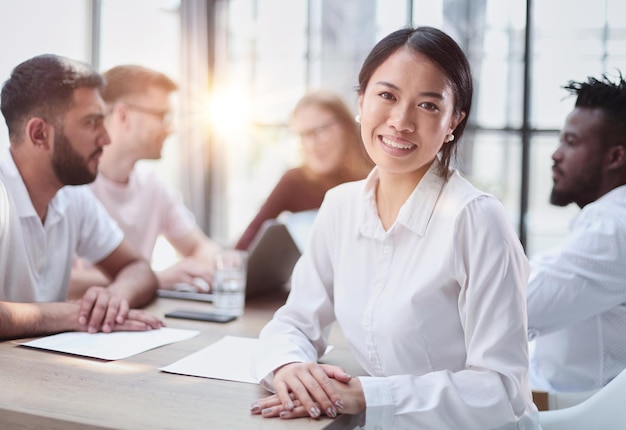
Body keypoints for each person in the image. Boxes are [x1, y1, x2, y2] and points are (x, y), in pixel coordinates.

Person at [250, 27, 539, 428]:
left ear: (454, 120)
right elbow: (295, 321)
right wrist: (289, 366)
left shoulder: (477, 219)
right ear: (361, 101)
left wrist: (367, 395)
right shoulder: (340, 206)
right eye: (387, 96)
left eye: (428, 105)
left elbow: (500, 392)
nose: (401, 121)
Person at [0, 54, 163, 340]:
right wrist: (74, 314)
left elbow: (138, 268)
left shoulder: (73, 196)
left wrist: (113, 298)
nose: (106, 138)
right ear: (39, 134)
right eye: (91, 122)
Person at [69, 65, 221, 295]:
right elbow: (64, 282)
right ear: (123, 115)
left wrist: (199, 270)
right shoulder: (72, 187)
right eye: (162, 116)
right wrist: (153, 279)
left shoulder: (152, 185)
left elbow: (202, 246)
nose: (171, 128)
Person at [527, 73, 626, 393]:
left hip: (580, 415)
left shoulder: (613, 226)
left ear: (615, 157)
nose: (556, 155)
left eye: (571, 142)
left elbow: (520, 306)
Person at [234, 89, 374, 251]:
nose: (311, 145)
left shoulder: (375, 175)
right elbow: (246, 243)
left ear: (347, 126)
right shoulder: (295, 180)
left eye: (320, 130)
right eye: (303, 135)